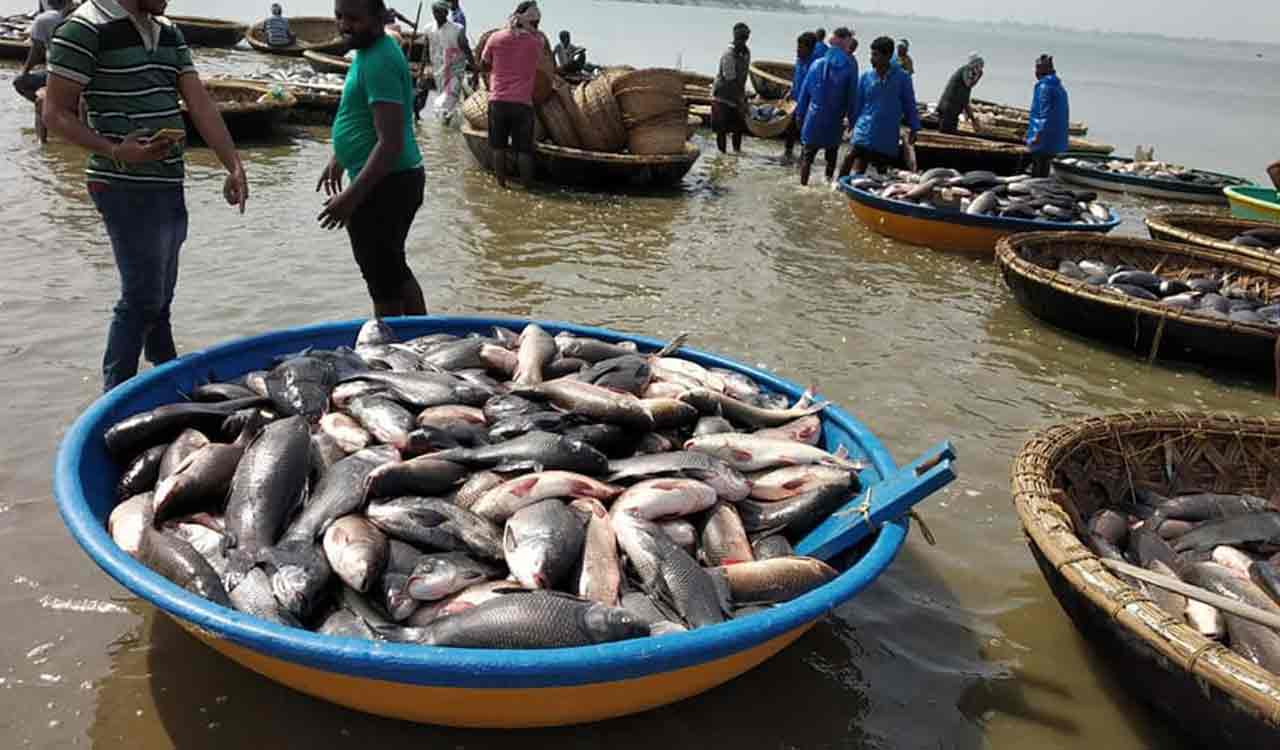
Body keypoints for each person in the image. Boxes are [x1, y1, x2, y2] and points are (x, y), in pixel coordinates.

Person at [44, 0, 248, 392]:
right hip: (120, 184)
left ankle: (166, 377)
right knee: (140, 297)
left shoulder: (167, 29)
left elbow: (199, 102)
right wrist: (116, 150)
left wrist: (232, 164)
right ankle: (112, 398)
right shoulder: (82, 28)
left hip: (168, 180)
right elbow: (56, 113)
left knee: (161, 295)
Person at [318, 0, 426, 319]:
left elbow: (390, 143)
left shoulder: (379, 59)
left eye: (354, 18)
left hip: (387, 183)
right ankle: (423, 338)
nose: (344, 25)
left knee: (382, 280)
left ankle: (389, 354)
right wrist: (340, 155)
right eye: (339, 16)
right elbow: (363, 116)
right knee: (392, 268)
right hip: (389, 179)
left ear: (379, 19)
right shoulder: (369, 51)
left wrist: (351, 198)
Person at [480, 1, 543, 188]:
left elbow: (484, 64)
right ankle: (528, 189)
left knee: (498, 147)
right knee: (523, 151)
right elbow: (538, 63)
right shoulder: (537, 42)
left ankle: (501, 186)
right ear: (534, 22)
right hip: (523, 104)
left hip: (498, 101)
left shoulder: (496, 38)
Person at [841, 36, 920, 177]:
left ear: (888, 56)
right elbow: (857, 103)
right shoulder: (866, 77)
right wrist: (851, 123)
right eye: (871, 54)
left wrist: (914, 128)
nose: (872, 58)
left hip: (886, 133)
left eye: (876, 55)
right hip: (864, 129)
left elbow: (910, 104)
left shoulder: (902, 78)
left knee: (881, 172)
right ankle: (838, 186)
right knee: (850, 156)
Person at [794, 27, 858, 186]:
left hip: (814, 118)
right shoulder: (849, 68)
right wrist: (852, 119)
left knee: (807, 156)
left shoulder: (817, 64)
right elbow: (852, 97)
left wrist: (799, 115)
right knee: (831, 157)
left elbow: (804, 93)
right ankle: (828, 185)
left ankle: (803, 186)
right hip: (834, 120)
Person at [425, 0, 472, 123]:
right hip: (438, 69)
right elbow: (426, 48)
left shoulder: (457, 28)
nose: (437, 15)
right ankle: (447, 124)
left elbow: (465, 48)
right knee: (444, 98)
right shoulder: (429, 29)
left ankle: (443, 129)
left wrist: (474, 66)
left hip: (455, 69)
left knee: (446, 100)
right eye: (435, 12)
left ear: (446, 13)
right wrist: (422, 68)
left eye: (440, 12)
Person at [12, 0, 67, 103]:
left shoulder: (44, 19)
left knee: (19, 82)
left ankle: (46, 106)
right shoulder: (81, 14)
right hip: (85, 73)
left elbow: (37, 51)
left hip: (57, 74)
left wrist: (24, 72)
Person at [1026, 53, 1069, 178]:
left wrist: (1037, 135)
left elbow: (1044, 113)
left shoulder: (1045, 87)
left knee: (1038, 168)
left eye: (1037, 68)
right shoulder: (1059, 86)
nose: (1035, 71)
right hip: (1056, 138)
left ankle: (1037, 190)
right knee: (1045, 166)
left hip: (1044, 138)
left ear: (1042, 70)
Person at [711, 22, 750, 154]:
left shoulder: (746, 53)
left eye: (745, 38)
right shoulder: (729, 54)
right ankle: (722, 155)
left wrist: (742, 98)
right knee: (721, 129)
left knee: (738, 129)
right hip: (722, 95)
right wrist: (741, 100)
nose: (743, 41)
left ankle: (736, 154)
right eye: (741, 38)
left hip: (736, 95)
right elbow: (730, 79)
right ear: (735, 37)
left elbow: (743, 76)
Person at [782, 31, 818, 161]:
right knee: (790, 130)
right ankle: (787, 155)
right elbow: (797, 79)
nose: (797, 50)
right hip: (796, 101)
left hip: (807, 105)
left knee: (805, 135)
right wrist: (790, 91)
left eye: (800, 48)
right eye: (797, 47)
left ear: (810, 49)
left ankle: (804, 160)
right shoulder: (799, 60)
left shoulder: (815, 65)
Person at [936, 53, 984, 134]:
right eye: (977, 67)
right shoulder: (965, 71)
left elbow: (965, 101)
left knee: (951, 133)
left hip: (953, 113)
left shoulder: (966, 88)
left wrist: (973, 119)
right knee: (946, 133)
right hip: (947, 110)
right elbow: (968, 83)